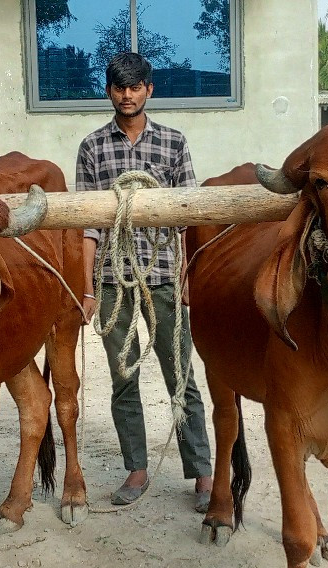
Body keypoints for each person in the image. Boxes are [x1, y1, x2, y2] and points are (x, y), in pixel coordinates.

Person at [76, 52, 213, 512]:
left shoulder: (174, 144)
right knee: (122, 376)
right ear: (109, 91)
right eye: (119, 87)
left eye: (135, 87)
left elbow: (188, 216)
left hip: (162, 276)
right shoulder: (92, 148)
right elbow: (88, 225)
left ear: (149, 90)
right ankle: (136, 468)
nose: (127, 95)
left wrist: (188, 274)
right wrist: (88, 288)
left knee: (182, 374)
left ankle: (202, 472)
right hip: (113, 278)